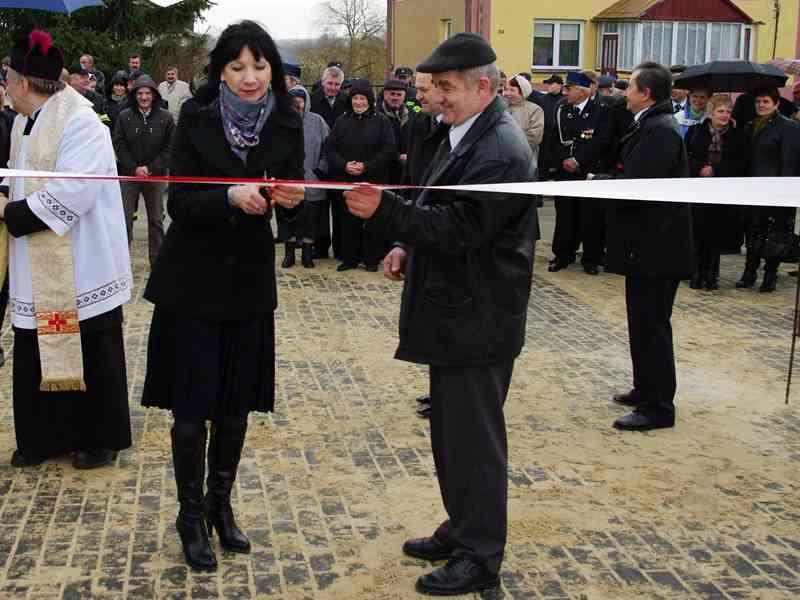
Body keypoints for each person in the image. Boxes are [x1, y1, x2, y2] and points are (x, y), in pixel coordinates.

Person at [344, 33, 539, 596]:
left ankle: (481, 555)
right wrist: (407, 244)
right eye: (435, 88)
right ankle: (464, 527)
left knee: (474, 441)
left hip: (479, 319)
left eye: (447, 88)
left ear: (484, 86)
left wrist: (388, 212)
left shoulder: (500, 148)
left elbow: (461, 229)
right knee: (453, 436)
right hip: (458, 313)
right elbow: (441, 206)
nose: (437, 97)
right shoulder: (466, 133)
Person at [141, 20, 305, 572]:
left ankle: (219, 505)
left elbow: (293, 193)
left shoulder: (288, 120)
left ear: (273, 70)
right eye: (237, 67)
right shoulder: (195, 117)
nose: (250, 77)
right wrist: (229, 197)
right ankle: (189, 516)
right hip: (192, 283)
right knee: (191, 413)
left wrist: (293, 196)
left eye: (259, 66)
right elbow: (178, 205)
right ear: (220, 71)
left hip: (248, 285)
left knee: (235, 409)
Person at [1, 29, 132, 468]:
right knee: (35, 346)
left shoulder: (81, 122)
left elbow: (72, 195)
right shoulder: (24, 120)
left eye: (6, 77)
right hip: (35, 266)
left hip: (82, 261)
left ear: (22, 82)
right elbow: (17, 176)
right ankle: (45, 437)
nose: (5, 86)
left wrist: (8, 213)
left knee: (93, 350)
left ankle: (99, 437)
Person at [600, 61, 692, 431]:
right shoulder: (650, 126)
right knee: (641, 323)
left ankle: (658, 407)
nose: (625, 94)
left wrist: (603, 182)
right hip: (646, 246)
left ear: (646, 94)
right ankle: (645, 388)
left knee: (652, 325)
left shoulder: (660, 131)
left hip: (656, 248)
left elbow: (640, 188)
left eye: (631, 88)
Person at [326, 78, 397, 272]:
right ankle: (349, 258)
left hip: (373, 179)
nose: (359, 102)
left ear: (369, 100)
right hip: (347, 179)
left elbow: (389, 149)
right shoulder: (342, 120)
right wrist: (344, 165)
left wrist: (367, 166)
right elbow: (330, 148)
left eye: (362, 98)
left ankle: (371, 259)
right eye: (355, 98)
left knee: (373, 220)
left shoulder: (381, 120)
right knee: (348, 221)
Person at [736, 87, 800, 292]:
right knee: (753, 232)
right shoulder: (750, 125)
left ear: (776, 104)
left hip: (775, 189)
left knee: (774, 234)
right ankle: (749, 273)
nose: (761, 105)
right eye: (758, 102)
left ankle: (770, 275)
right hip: (753, 188)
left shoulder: (787, 126)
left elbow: (789, 160)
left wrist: (783, 190)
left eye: (765, 101)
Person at [549, 71, 610, 275]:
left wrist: (578, 160)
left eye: (570, 88)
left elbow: (600, 141)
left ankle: (590, 258)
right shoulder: (562, 110)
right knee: (565, 214)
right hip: (565, 172)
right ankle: (562, 254)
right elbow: (554, 140)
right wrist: (564, 160)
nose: (566, 92)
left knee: (590, 216)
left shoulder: (599, 111)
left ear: (582, 91)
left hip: (588, 171)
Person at [685, 94, 748, 290]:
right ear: (711, 113)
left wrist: (717, 170)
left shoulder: (738, 135)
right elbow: (686, 156)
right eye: (720, 111)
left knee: (715, 234)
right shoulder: (696, 131)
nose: (724, 115)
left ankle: (711, 276)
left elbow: (741, 164)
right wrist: (699, 168)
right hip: (698, 188)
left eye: (728, 112)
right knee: (697, 232)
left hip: (722, 191)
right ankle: (695, 274)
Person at [113, 74, 175, 266]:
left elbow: (170, 148)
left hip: (155, 176)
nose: (144, 97)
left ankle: (157, 261)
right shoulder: (124, 116)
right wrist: (134, 168)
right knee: (124, 219)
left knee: (156, 220)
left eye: (148, 93)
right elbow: (119, 144)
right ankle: (121, 262)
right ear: (134, 95)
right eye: (140, 93)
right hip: (129, 175)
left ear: (154, 95)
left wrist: (151, 168)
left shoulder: (166, 117)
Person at [279, 85, 330, 269]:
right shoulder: (280, 121)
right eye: (294, 100)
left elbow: (328, 147)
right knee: (288, 215)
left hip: (312, 177)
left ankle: (308, 253)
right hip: (288, 178)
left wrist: (321, 169)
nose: (297, 103)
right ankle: (289, 253)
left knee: (310, 217)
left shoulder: (318, 121)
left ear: (306, 101)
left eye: (300, 100)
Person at [310, 65, 348, 259]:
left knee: (341, 206)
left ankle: (341, 247)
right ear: (323, 82)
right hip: (318, 158)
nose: (333, 87)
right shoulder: (313, 100)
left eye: (337, 84)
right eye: (330, 83)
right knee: (320, 206)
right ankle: (320, 246)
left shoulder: (346, 101)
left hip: (341, 159)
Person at [377, 78, 412, 183]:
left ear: (404, 96)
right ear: (385, 95)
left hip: (406, 169)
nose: (395, 98)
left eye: (399, 95)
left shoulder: (412, 113)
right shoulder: (376, 114)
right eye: (392, 94)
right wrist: (397, 156)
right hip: (384, 169)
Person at [531, 74, 564, 179]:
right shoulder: (542, 99)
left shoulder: (565, 100)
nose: (549, 86)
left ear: (560, 85)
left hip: (558, 140)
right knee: (543, 167)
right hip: (544, 139)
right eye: (548, 84)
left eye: (551, 83)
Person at [503, 75, 544, 160]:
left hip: (524, 160)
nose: (507, 93)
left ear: (522, 91)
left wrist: (508, 145)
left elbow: (535, 137)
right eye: (506, 89)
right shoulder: (501, 108)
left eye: (512, 90)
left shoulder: (535, 110)